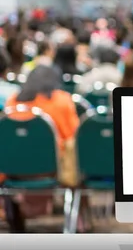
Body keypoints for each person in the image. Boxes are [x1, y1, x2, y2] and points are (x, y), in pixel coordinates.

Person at [3, 65, 80, 232]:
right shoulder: (62, 100)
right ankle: (80, 223)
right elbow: (73, 136)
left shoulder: (13, 101)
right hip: (52, 170)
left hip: (12, 169)